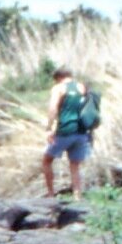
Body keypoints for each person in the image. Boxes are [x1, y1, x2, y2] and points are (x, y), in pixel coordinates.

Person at [41, 70, 103, 199]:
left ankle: (51, 194)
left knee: (47, 160)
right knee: (74, 165)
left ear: (57, 78)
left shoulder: (58, 88)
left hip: (65, 130)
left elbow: (53, 108)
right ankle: (77, 195)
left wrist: (48, 128)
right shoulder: (83, 87)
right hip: (82, 131)